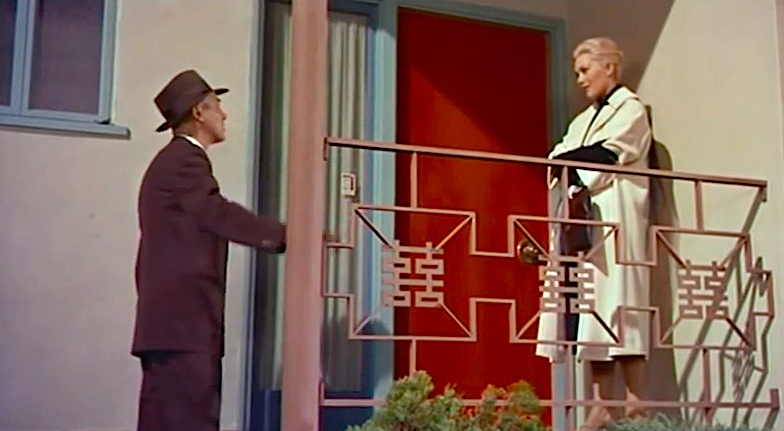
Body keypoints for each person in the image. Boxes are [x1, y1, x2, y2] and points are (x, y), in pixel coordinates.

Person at [131, 70, 287, 431]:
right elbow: (217, 213)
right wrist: (288, 235)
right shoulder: (184, 161)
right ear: (199, 113)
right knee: (190, 420)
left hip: (169, 329)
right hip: (183, 327)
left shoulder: (170, 163)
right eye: (217, 105)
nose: (224, 114)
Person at [535, 37, 652, 430]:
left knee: (623, 306)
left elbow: (609, 154)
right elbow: (557, 157)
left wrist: (571, 162)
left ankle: (636, 403)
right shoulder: (582, 120)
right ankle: (602, 404)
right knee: (591, 309)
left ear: (609, 68)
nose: (581, 79)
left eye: (586, 70)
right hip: (583, 224)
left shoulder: (631, 110)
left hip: (617, 219)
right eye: (577, 73)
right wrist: (570, 161)